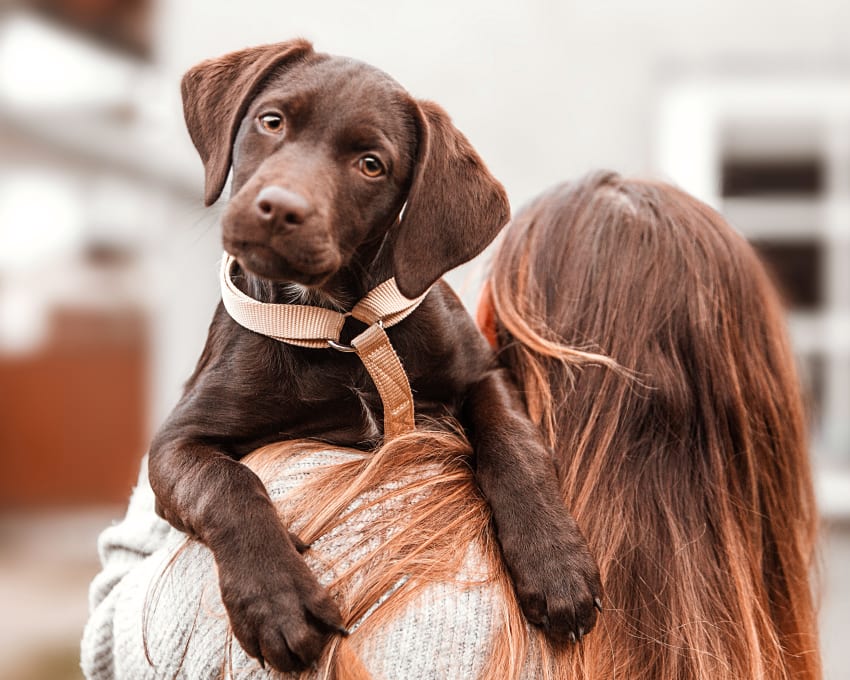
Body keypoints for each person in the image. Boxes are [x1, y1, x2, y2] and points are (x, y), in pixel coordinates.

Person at [81, 172, 821, 679]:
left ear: (496, 329)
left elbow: (117, 643)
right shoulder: (741, 641)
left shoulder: (331, 538)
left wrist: (197, 431)